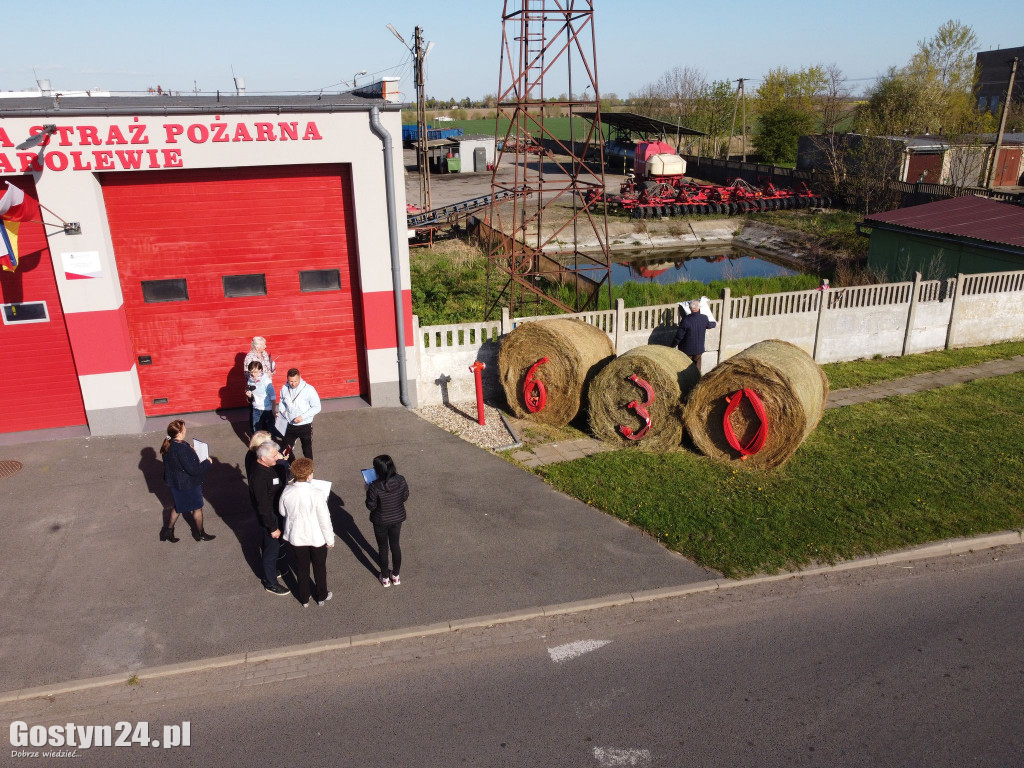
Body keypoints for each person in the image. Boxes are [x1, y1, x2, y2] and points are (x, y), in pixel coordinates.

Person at [280, 458, 335, 608]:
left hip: (296, 537)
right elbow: (325, 519)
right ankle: (321, 595)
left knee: (302, 568)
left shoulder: (287, 491)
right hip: (316, 537)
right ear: (309, 475)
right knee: (319, 567)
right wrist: (330, 540)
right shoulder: (317, 493)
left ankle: (304, 598)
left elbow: (282, 511)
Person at [160, 419, 216, 542]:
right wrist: (207, 462)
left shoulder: (169, 444)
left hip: (175, 483)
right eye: (184, 428)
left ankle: (168, 531)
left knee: (178, 507)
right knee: (197, 508)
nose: (186, 430)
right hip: (188, 484)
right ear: (179, 432)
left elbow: (176, 461)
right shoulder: (181, 449)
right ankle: (200, 533)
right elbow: (194, 470)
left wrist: (191, 452)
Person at [248, 441, 289, 595]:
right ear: (263, 458)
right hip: (270, 518)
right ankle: (270, 582)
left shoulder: (265, 467)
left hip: (274, 513)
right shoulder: (259, 477)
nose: (276, 458)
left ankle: (270, 571)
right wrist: (273, 528)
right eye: (273, 456)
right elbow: (263, 506)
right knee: (271, 550)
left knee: (271, 547)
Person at [365, 454, 409, 587]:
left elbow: (370, 506)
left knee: (383, 548)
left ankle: (384, 577)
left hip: (380, 520)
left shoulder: (374, 486)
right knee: (395, 546)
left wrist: (367, 491)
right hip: (397, 518)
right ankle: (395, 575)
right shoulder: (401, 480)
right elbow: (405, 496)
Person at [278, 368, 321, 460]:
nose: (293, 384)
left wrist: (302, 417)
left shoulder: (309, 389)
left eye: (295, 381)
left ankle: (309, 470)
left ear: (300, 378)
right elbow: (282, 401)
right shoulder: (284, 388)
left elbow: (317, 407)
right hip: (290, 424)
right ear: (287, 379)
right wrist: (283, 411)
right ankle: (292, 468)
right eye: (291, 381)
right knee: (286, 450)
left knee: (307, 450)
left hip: (304, 425)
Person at [671, 299, 717, 373]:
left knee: (685, 371)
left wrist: (672, 346)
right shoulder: (704, 318)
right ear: (699, 308)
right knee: (697, 370)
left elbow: (679, 336)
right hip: (699, 350)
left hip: (686, 351)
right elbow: (710, 325)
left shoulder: (686, 320)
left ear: (690, 309)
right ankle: (697, 382)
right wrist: (714, 323)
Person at [245, 360, 276, 435]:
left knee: (270, 430)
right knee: (256, 430)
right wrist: (249, 396)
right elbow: (250, 399)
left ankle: (270, 445)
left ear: (260, 370)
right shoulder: (250, 380)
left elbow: (273, 395)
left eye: (255, 372)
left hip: (267, 409)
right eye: (251, 372)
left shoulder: (266, 380)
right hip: (256, 408)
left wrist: (274, 410)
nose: (253, 374)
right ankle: (256, 445)